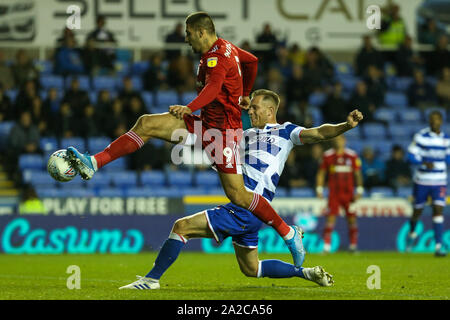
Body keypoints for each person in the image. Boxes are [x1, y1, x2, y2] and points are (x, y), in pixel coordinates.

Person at [65, 12, 307, 267]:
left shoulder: (216, 57)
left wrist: (190, 107)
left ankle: (289, 234)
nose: (186, 38)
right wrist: (244, 94)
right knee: (147, 123)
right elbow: (252, 61)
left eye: (189, 33)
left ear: (202, 32)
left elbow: (213, 88)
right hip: (205, 124)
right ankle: (93, 162)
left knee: (240, 196)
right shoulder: (227, 49)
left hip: (223, 132)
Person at [118, 89, 363, 290]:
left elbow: (319, 132)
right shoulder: (244, 135)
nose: (251, 110)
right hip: (248, 207)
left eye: (255, 107)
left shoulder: (286, 131)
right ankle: (306, 273)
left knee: (181, 227)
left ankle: (151, 280)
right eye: (250, 106)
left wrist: (346, 125)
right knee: (251, 269)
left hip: (250, 205)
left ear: (270, 111)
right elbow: (217, 148)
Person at [406, 110, 448, 257]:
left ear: (441, 121)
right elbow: (410, 156)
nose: (433, 122)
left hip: (440, 181)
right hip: (422, 181)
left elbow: (448, 158)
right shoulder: (421, 137)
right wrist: (423, 162)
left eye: (436, 119)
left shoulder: (447, 139)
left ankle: (438, 246)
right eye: (431, 119)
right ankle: (411, 234)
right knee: (417, 211)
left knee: (438, 210)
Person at [316, 134, 364, 253]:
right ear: (334, 141)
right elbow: (321, 173)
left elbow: (357, 174)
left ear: (344, 141)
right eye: (336, 139)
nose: (339, 142)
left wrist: (359, 190)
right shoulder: (328, 156)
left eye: (340, 139)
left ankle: (353, 246)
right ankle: (326, 247)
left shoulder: (352, 156)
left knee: (352, 219)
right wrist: (319, 189)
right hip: (334, 194)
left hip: (349, 194)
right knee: (330, 218)